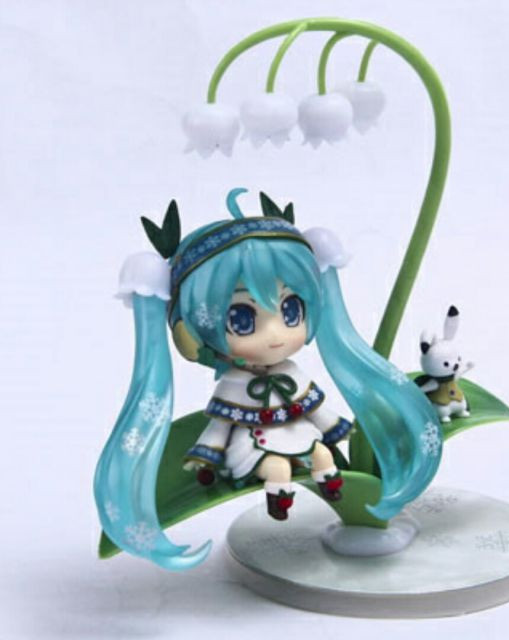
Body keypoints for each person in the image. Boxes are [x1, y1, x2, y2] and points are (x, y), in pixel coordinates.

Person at [94, 188, 442, 570]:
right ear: (190, 332)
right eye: (243, 319)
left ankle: (330, 481)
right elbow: (220, 425)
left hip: (299, 434)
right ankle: (279, 496)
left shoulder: (291, 373)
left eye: (291, 310)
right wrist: (206, 455)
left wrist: (337, 429)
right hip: (255, 442)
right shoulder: (234, 386)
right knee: (276, 467)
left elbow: (316, 409)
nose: (275, 334)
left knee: (323, 454)